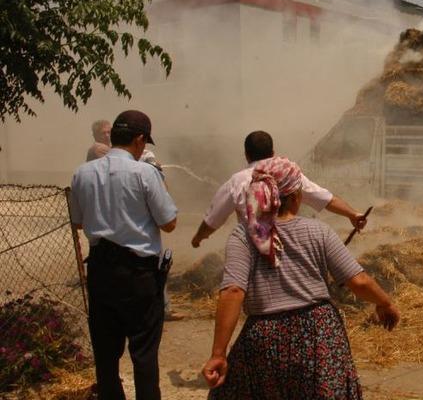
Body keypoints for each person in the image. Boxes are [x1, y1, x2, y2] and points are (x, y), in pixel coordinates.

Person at [201, 156, 399, 398]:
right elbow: (358, 281)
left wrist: (219, 354)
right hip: (319, 335)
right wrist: (385, 303)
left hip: (265, 338)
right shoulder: (318, 231)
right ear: (296, 197)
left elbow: (233, 291)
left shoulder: (243, 235)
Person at [69, 110, 178, 400]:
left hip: (101, 272)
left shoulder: (82, 173)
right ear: (140, 140)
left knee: (105, 354)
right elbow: (169, 221)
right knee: (143, 353)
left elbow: (78, 221)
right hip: (139, 275)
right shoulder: (146, 173)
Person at [191, 130, 367, 248]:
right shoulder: (288, 173)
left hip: (254, 249)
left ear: (246, 154)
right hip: (288, 246)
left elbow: (212, 220)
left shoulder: (237, 181)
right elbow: (326, 199)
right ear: (273, 151)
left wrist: (198, 239)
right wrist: (353, 214)